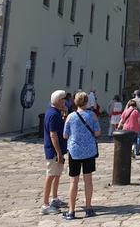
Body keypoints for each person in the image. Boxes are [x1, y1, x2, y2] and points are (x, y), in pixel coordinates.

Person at [62, 91, 101, 220]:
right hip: (89, 151)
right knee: (88, 181)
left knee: (74, 181)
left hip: (75, 152)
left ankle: (71, 211)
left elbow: (65, 135)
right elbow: (97, 133)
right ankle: (88, 208)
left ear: (75, 102)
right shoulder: (92, 116)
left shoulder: (70, 117)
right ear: (86, 102)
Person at [40, 90, 69, 215]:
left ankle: (55, 198)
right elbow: (53, 135)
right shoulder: (53, 114)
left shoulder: (57, 113)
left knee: (57, 174)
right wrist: (58, 152)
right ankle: (45, 204)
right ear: (58, 101)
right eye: (63, 99)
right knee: (51, 175)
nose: (65, 101)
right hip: (53, 151)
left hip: (59, 150)